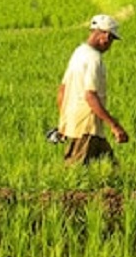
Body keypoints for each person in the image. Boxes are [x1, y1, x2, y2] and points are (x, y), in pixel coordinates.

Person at [55, 13, 129, 165]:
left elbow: (62, 90)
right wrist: (114, 125)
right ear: (105, 36)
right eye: (112, 39)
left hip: (80, 124)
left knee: (111, 168)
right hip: (86, 126)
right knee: (75, 172)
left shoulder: (78, 53)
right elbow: (90, 96)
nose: (110, 44)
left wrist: (64, 122)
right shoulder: (94, 59)